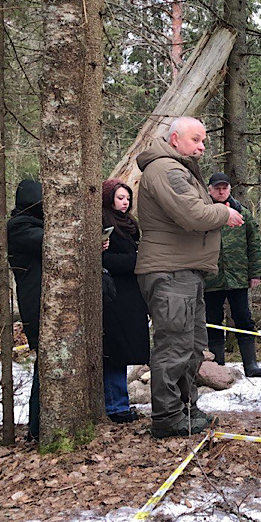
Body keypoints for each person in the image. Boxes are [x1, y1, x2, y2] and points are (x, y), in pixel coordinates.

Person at [135, 116, 245, 438]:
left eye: (203, 141)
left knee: (192, 346)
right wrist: (224, 212)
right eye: (196, 139)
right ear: (174, 139)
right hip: (169, 272)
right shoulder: (166, 170)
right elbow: (193, 214)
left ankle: (186, 409)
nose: (201, 146)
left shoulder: (178, 169)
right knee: (174, 347)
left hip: (185, 272)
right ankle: (168, 418)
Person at [204, 173, 261, 378]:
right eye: (217, 188)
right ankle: (218, 366)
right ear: (210, 190)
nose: (221, 191)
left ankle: (251, 364)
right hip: (210, 278)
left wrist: (255, 272)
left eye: (225, 188)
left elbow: (254, 244)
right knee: (212, 320)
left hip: (238, 276)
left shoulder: (243, 213)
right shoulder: (203, 213)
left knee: (243, 318)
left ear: (229, 189)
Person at [100, 179, 151, 423]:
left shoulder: (131, 224)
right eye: (120, 198)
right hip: (113, 295)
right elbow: (105, 259)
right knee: (114, 352)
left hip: (132, 295)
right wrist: (136, 261)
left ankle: (119, 403)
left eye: (127, 198)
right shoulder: (102, 221)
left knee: (125, 351)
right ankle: (115, 406)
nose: (125, 202)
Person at [6, 179, 44, 441]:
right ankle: (37, 426)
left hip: (41, 299)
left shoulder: (31, 225)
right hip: (36, 302)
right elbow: (48, 242)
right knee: (46, 364)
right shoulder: (19, 227)